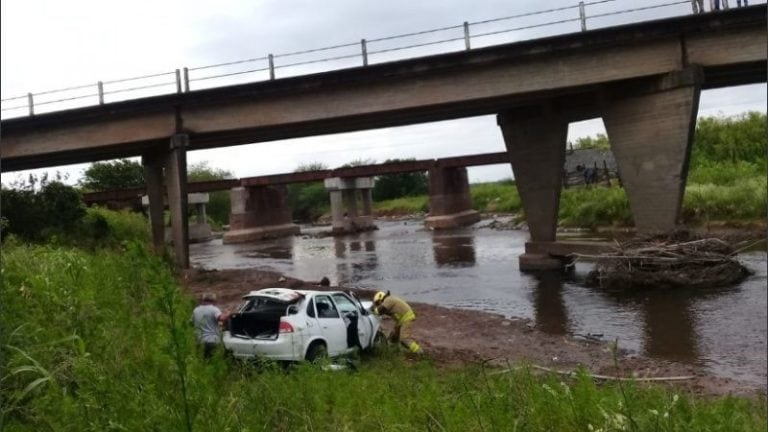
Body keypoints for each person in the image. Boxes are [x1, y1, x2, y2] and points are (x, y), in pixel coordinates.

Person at [192, 292, 228, 359]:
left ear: (203, 300)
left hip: (199, 341)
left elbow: (191, 323)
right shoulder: (214, 309)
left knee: (201, 362)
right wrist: (227, 314)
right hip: (212, 341)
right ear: (214, 300)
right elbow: (222, 318)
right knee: (213, 362)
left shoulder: (195, 310)